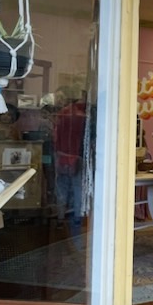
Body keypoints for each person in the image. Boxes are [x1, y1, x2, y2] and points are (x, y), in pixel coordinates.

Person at [53, 89, 87, 235]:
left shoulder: (62, 114)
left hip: (62, 157)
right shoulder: (83, 116)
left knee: (62, 189)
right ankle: (77, 218)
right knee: (78, 189)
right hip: (78, 158)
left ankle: (60, 219)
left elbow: (55, 138)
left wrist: (56, 154)